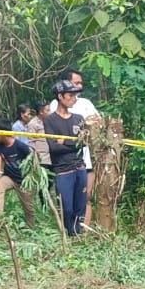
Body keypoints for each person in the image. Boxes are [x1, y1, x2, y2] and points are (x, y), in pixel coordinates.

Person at [44, 79, 88, 236]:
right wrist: (74, 142)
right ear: (60, 96)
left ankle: (78, 236)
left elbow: (84, 143)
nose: (73, 98)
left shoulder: (78, 118)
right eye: (70, 95)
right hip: (63, 170)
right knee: (66, 208)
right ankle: (67, 237)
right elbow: (53, 147)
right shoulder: (50, 120)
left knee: (80, 207)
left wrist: (65, 141)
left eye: (75, 95)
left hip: (80, 167)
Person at [0, 118, 35, 227]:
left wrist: (31, 176)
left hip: (23, 181)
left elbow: (33, 158)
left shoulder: (20, 146)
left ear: (2, 133)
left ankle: (31, 227)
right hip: (9, 177)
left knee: (28, 207)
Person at [26, 102, 51, 168]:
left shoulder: (50, 122)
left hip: (52, 158)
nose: (50, 112)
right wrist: (34, 158)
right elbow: (31, 142)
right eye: (48, 110)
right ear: (41, 112)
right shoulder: (33, 124)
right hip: (42, 159)